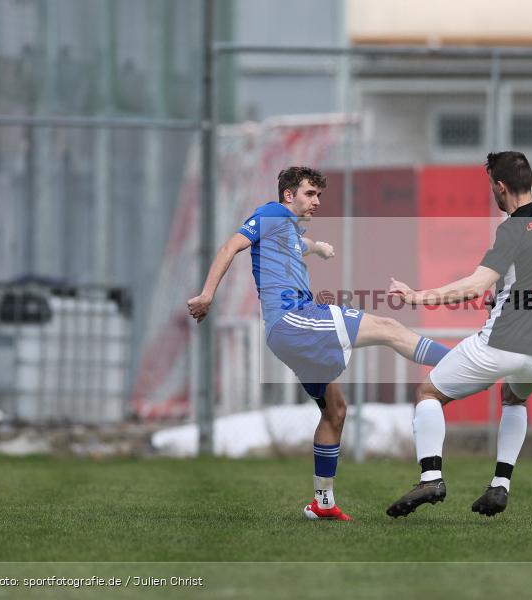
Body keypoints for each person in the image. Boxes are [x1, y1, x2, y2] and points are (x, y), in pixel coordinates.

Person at [187, 166, 451, 521]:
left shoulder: (287, 230)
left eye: (319, 195)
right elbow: (230, 246)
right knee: (389, 327)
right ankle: (462, 365)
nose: (317, 201)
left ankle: (322, 504)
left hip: (286, 333)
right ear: (288, 195)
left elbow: (301, 245)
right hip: (296, 320)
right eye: (310, 194)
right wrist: (207, 294)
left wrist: (319, 248)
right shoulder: (272, 213)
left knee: (335, 411)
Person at [386, 151, 532, 518]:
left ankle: (431, 477)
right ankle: (500, 485)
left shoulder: (512, 228)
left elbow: (475, 285)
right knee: (513, 399)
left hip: (504, 342)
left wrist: (417, 296)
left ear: (500, 187)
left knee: (428, 392)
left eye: (491, 187)